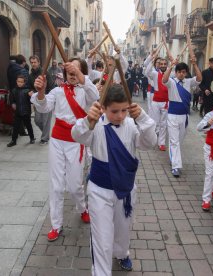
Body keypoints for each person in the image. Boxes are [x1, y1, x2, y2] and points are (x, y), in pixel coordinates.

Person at [71, 84, 157, 275]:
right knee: (101, 239)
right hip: (99, 190)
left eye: (124, 110)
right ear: (103, 108)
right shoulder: (96, 124)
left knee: (123, 229)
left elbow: (150, 143)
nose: (120, 115)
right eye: (114, 111)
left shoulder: (132, 126)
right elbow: (77, 135)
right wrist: (87, 120)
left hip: (125, 189)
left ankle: (122, 253)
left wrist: (142, 118)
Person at [31, 57, 99, 242]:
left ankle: (82, 208)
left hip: (76, 142)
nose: (73, 72)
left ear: (82, 73)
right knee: (56, 185)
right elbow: (43, 106)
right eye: (70, 69)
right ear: (65, 73)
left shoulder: (86, 90)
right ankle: (56, 225)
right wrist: (41, 92)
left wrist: (80, 74)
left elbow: (96, 97)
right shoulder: (58, 92)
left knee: (75, 185)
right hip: (57, 141)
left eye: (77, 69)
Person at [162, 58, 202, 177]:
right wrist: (170, 66)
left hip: (184, 116)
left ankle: (173, 157)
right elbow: (164, 79)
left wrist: (195, 64)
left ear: (186, 73)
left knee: (178, 141)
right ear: (176, 72)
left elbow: (199, 79)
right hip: (172, 115)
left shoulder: (189, 82)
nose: (181, 74)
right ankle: (176, 166)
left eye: (183, 72)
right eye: (179, 71)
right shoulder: (172, 82)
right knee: (174, 141)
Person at [28, 55, 55, 145]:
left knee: (46, 121)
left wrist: (49, 97)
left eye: (35, 62)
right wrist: (30, 92)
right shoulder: (30, 75)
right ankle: (46, 134)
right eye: (31, 62)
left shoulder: (45, 73)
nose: (33, 64)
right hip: (37, 101)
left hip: (47, 99)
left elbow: (51, 85)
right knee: (37, 120)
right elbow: (29, 87)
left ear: (38, 62)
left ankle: (44, 139)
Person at [145, 55, 170, 151]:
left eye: (165, 64)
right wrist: (152, 61)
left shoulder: (170, 74)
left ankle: (162, 143)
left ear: (167, 65)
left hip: (165, 102)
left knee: (164, 124)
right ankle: (153, 140)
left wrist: (172, 63)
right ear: (158, 65)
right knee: (155, 122)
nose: (163, 65)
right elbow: (147, 72)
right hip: (155, 101)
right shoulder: (155, 74)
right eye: (161, 64)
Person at [7, 75, 36, 147]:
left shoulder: (27, 90)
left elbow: (32, 101)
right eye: (18, 81)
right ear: (16, 82)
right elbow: (12, 100)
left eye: (21, 82)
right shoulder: (14, 90)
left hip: (26, 112)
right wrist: (13, 104)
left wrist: (31, 95)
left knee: (28, 125)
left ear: (24, 82)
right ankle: (13, 140)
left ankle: (32, 138)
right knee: (16, 127)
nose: (19, 83)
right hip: (17, 112)